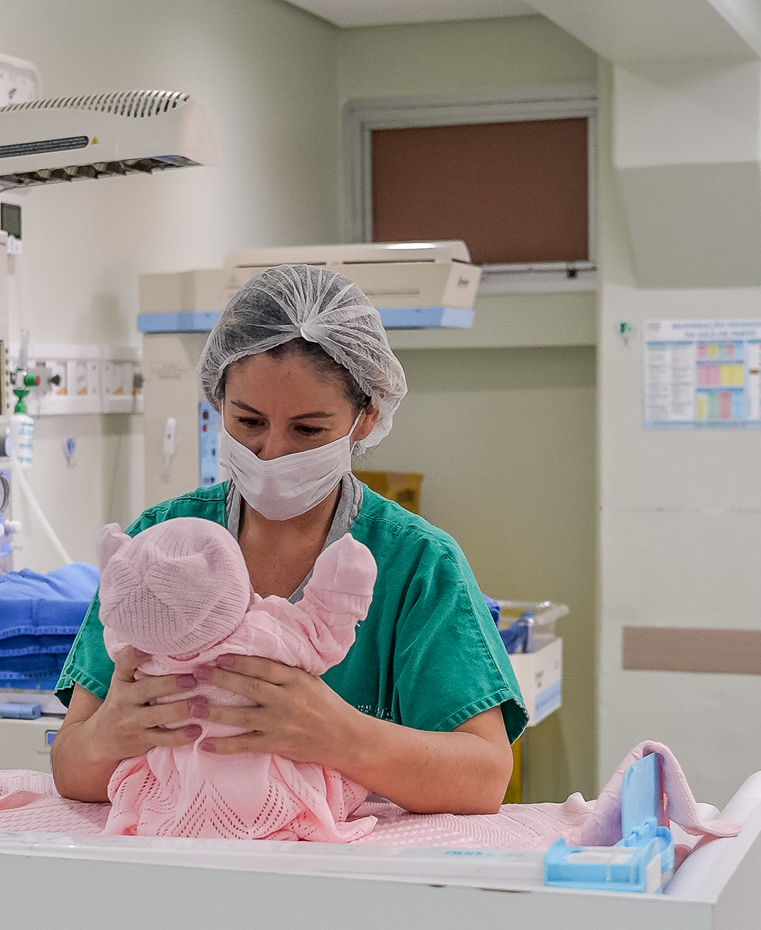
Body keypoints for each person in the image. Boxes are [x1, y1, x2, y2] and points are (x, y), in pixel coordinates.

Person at [53, 265, 526, 815]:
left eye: (307, 430)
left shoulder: (416, 563)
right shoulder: (157, 545)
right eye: (248, 421)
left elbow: (483, 778)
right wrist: (109, 734)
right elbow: (70, 767)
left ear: (366, 417)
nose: (271, 452)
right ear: (218, 402)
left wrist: (338, 735)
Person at [96, 515, 379, 840]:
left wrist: (123, 578)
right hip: (268, 791)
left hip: (175, 795)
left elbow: (119, 628)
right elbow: (322, 633)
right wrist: (342, 587)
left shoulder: (145, 654)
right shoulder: (261, 637)